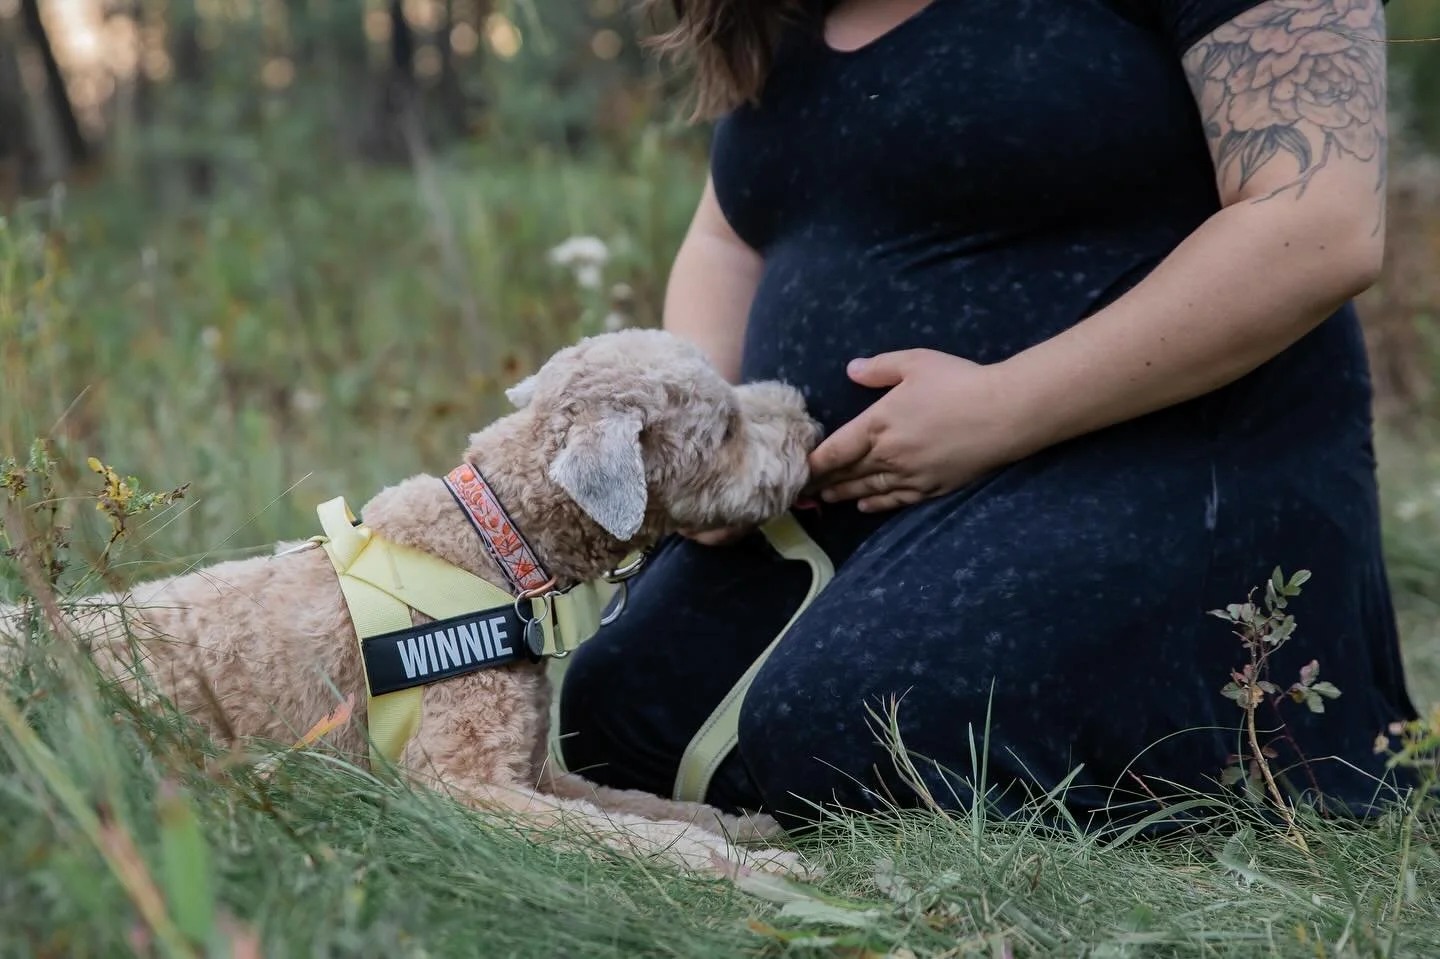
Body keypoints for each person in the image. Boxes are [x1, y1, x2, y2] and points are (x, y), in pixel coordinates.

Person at [554, 0, 1420, 831]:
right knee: (621, 711)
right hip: (848, 512)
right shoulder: (786, 7)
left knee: (863, 723)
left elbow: (1320, 221)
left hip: (1169, 455)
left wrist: (1003, 406)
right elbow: (730, 236)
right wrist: (716, 444)